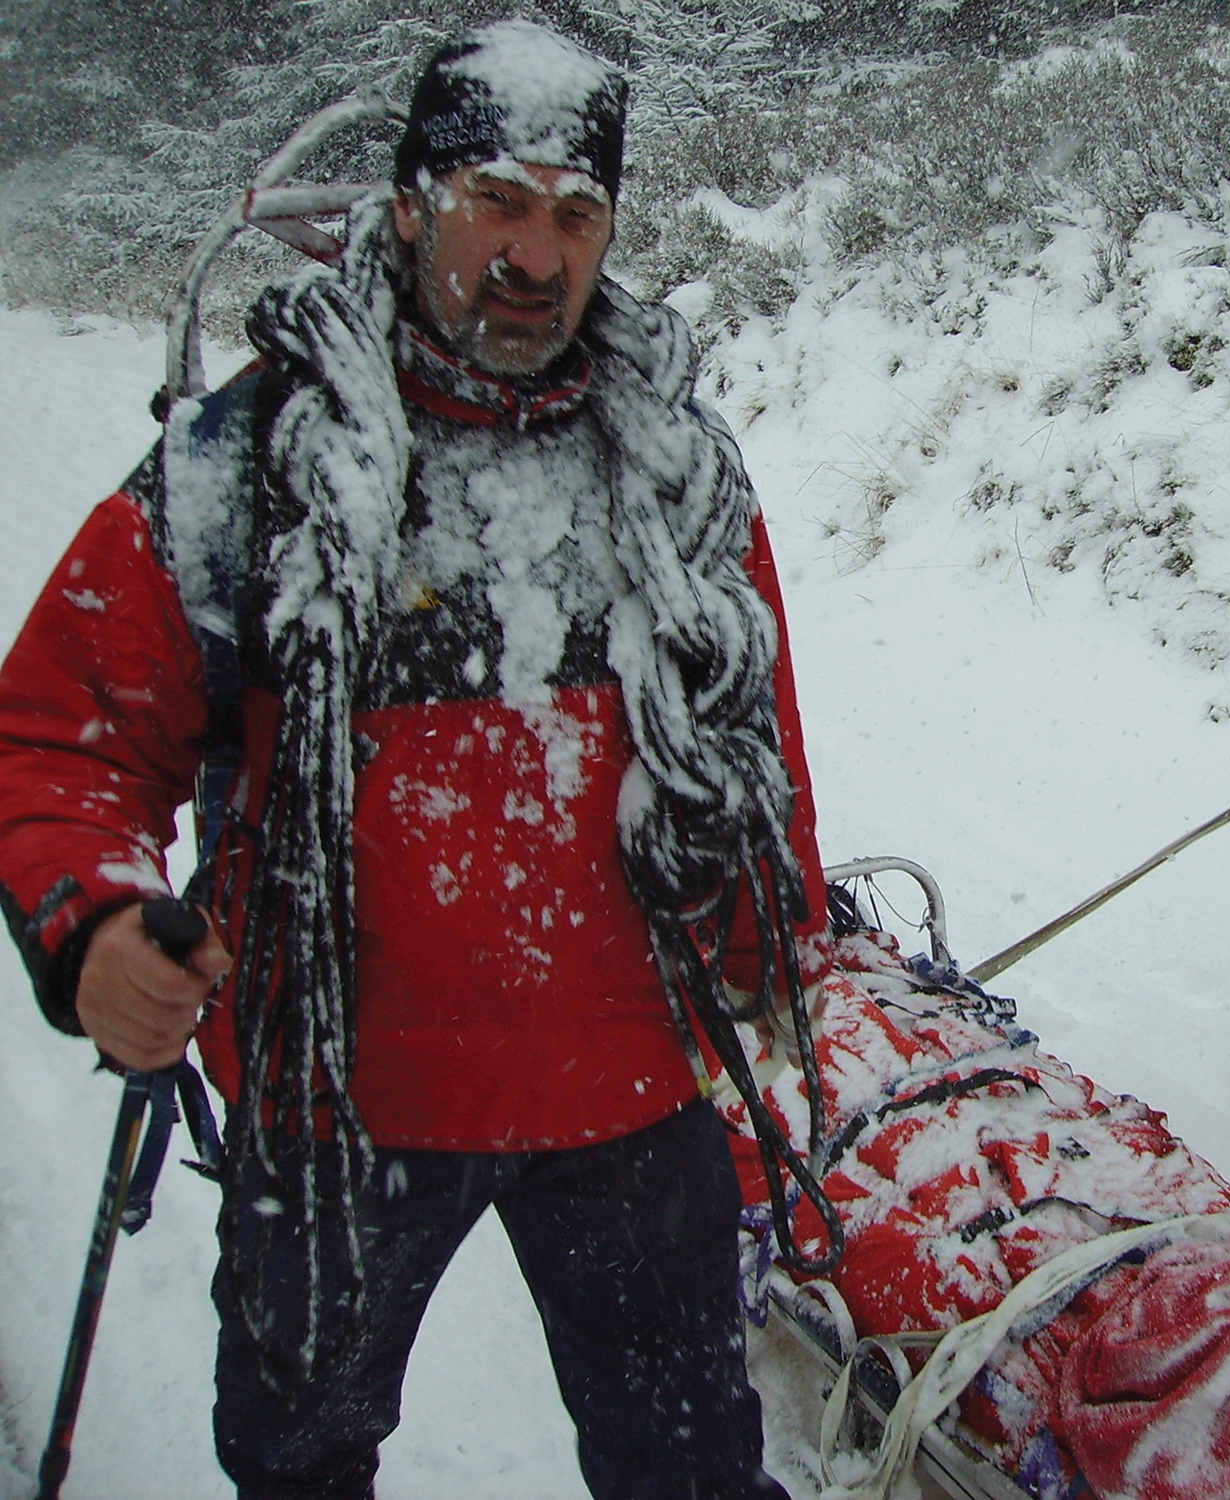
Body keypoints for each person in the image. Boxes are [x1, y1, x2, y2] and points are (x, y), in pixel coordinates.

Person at [0, 21, 827, 1498]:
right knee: (300, 1469)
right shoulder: (249, 460)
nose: (535, 252)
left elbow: (752, 734)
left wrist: (777, 940)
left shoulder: (678, 469)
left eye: (575, 216)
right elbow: (62, 733)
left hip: (630, 1099)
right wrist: (96, 922)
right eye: (494, 201)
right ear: (407, 206)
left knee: (694, 1473)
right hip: (336, 1107)